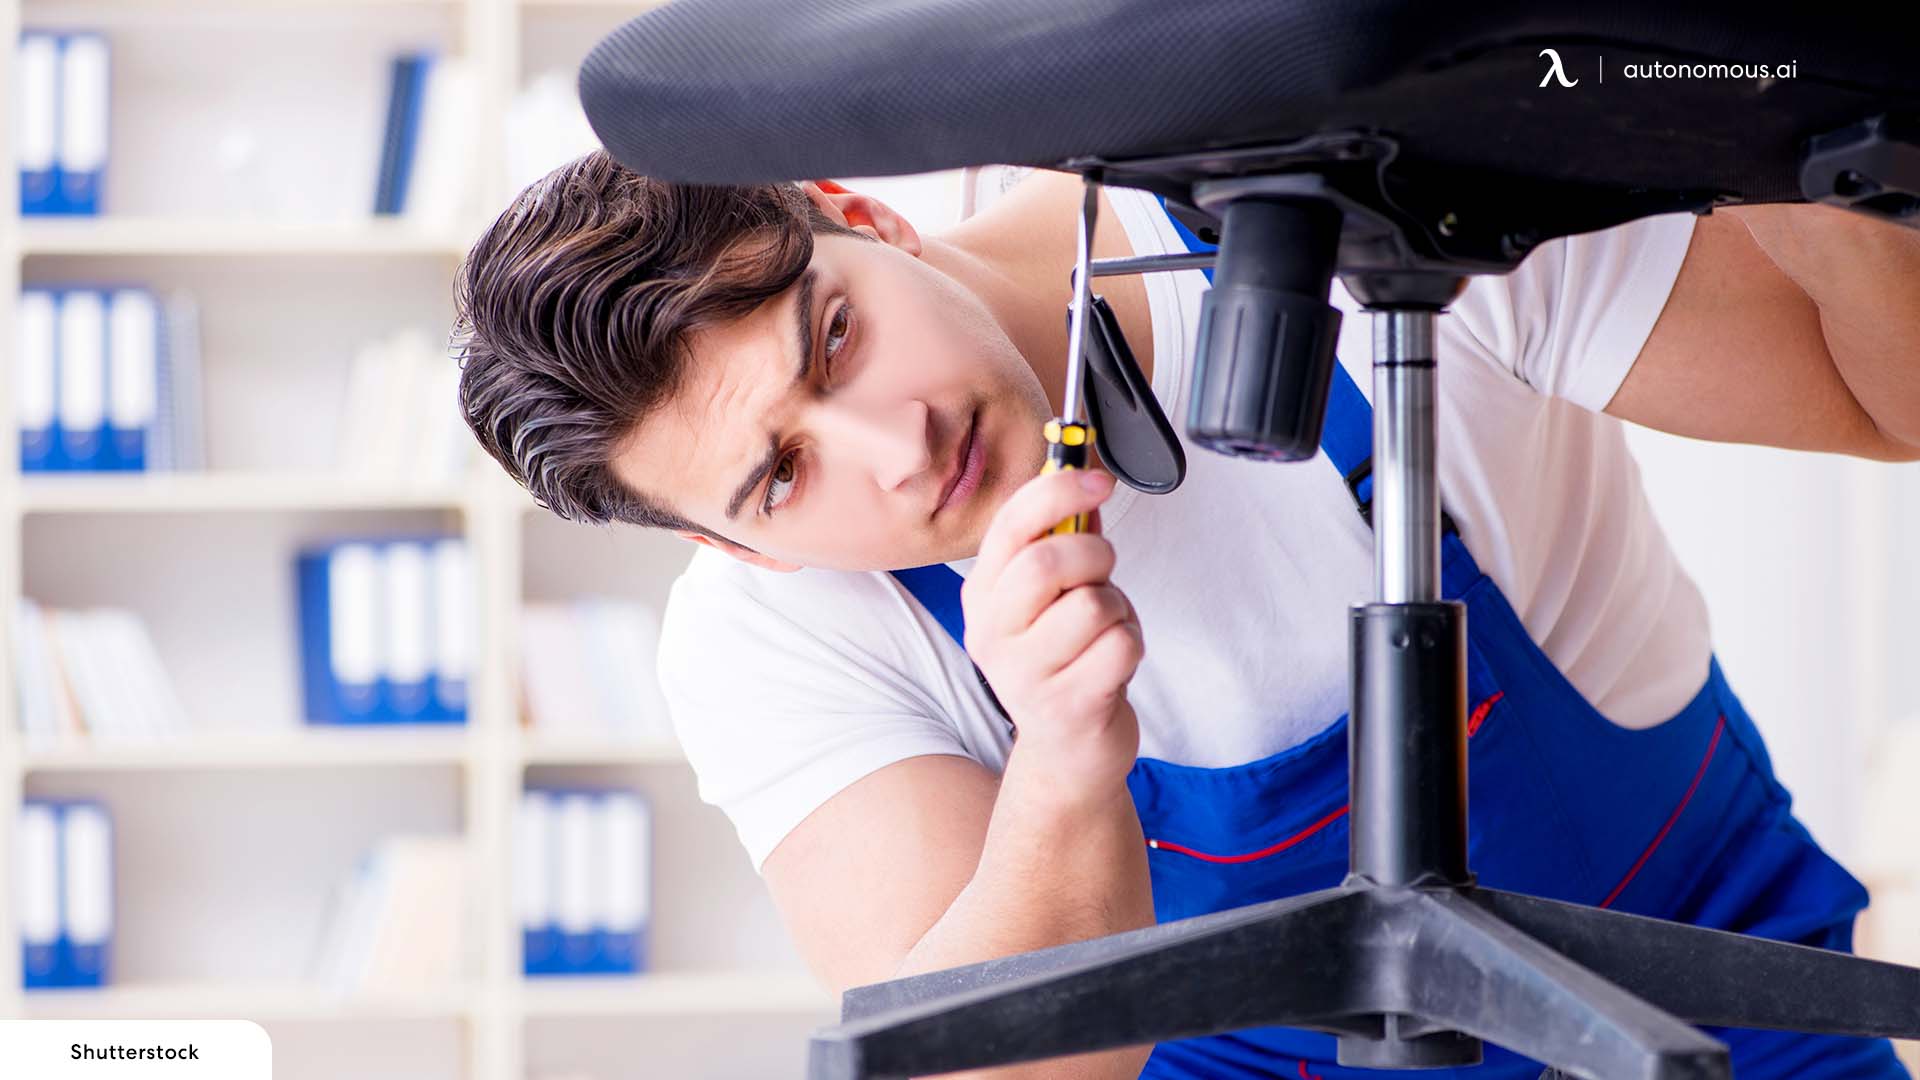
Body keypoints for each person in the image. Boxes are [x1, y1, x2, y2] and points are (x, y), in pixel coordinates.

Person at [451, 150, 1920, 1079]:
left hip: (1715, 1005)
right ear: (740, 551)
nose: (895, 447)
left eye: (832, 338)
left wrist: (1779, 129)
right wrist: (1063, 759)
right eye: (781, 475)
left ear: (860, 212)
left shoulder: (1362, 209)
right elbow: (992, 1076)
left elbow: (1883, 394)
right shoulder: (775, 637)